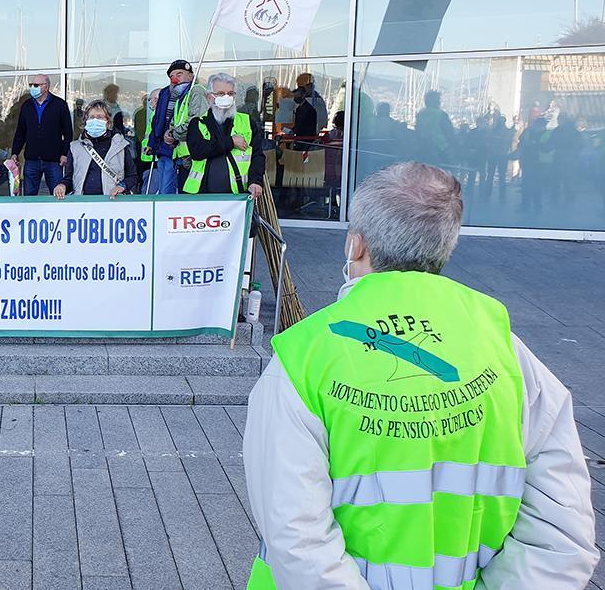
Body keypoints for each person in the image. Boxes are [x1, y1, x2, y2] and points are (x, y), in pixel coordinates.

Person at [244, 162, 598, 589]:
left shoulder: (304, 357)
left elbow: (295, 538)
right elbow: (560, 537)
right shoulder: (510, 354)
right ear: (444, 248)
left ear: (354, 246)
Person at [179, 72, 265, 199]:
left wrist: (255, 181)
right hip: (202, 195)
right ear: (209, 97)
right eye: (220, 93)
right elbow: (198, 151)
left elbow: (257, 155)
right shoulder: (198, 123)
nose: (226, 97)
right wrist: (231, 142)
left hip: (238, 195)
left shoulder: (247, 122)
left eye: (230, 93)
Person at [54, 99, 138, 199]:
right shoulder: (75, 148)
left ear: (108, 122)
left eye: (99, 117)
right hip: (83, 202)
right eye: (91, 117)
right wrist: (62, 185)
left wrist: (122, 186)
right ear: (85, 121)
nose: (95, 120)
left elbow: (132, 176)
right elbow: (69, 178)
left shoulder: (120, 146)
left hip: (112, 202)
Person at [146, 59, 208, 194]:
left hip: (191, 155)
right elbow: (159, 120)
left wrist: (173, 134)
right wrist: (154, 142)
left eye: (179, 74)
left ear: (191, 76)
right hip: (173, 151)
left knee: (186, 194)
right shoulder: (176, 95)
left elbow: (195, 121)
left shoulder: (195, 92)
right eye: (171, 77)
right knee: (169, 191)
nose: (174, 80)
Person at [10, 74, 73, 196]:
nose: (33, 87)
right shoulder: (27, 106)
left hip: (54, 161)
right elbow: (20, 132)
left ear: (46, 87)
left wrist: (64, 154)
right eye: (32, 85)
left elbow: (68, 133)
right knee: (29, 196)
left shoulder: (59, 105)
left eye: (36, 85)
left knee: (57, 195)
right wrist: (15, 153)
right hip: (32, 160)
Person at [415, 90, 455, 164]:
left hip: (423, 148)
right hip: (441, 148)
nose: (440, 102)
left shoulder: (420, 114)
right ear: (436, 101)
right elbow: (449, 132)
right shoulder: (441, 114)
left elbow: (417, 130)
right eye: (439, 99)